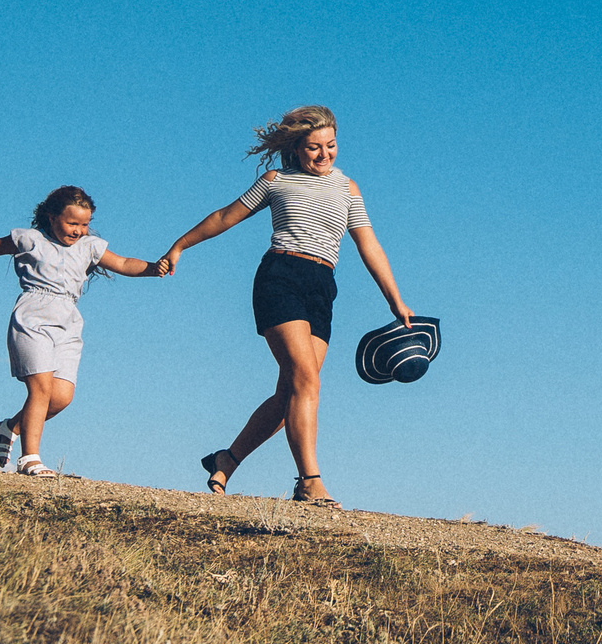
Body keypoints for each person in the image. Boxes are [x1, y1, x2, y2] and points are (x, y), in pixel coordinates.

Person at [164, 106, 415, 508]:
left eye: (330, 146)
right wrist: (180, 246)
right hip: (280, 277)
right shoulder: (276, 181)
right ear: (296, 149)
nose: (324, 154)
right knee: (306, 380)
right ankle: (310, 482)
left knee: (292, 392)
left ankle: (226, 459)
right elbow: (226, 216)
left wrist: (396, 300)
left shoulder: (348, 189)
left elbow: (369, 244)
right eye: (314, 147)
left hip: (322, 286)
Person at [0, 185, 168, 479]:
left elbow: (123, 263)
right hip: (33, 316)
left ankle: (8, 427)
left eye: (84, 224)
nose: (78, 231)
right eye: (72, 223)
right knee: (41, 389)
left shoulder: (90, 246)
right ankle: (30, 459)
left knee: (60, 397)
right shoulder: (30, 239)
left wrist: (153, 268)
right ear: (51, 217)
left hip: (69, 321)